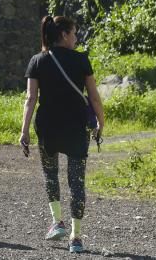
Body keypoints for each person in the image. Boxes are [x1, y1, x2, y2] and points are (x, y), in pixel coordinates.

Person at [19, 15, 105, 254]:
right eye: (74, 33)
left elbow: (30, 99)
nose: (76, 38)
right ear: (64, 35)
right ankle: (76, 238)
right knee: (77, 183)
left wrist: (24, 130)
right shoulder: (81, 60)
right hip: (76, 128)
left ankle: (57, 222)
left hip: (47, 127)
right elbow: (94, 97)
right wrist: (101, 122)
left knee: (51, 175)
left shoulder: (37, 61)